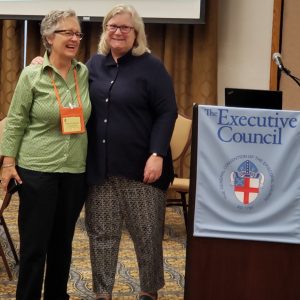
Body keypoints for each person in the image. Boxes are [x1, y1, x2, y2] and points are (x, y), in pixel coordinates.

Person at [85, 4, 177, 300]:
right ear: (105, 30)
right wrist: (40, 61)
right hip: (101, 169)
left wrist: (157, 154)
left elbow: (167, 112)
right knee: (102, 235)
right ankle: (103, 293)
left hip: (142, 169)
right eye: (112, 26)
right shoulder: (94, 64)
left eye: (125, 27)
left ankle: (149, 292)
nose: (118, 32)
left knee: (147, 235)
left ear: (136, 33)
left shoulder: (151, 67)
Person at [0, 9, 91, 300]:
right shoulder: (32, 75)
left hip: (74, 171)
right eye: (68, 32)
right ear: (49, 38)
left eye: (78, 33)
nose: (75, 38)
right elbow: (15, 122)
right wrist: (7, 164)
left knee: (63, 245)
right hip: (37, 170)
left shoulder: (84, 72)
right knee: (35, 246)